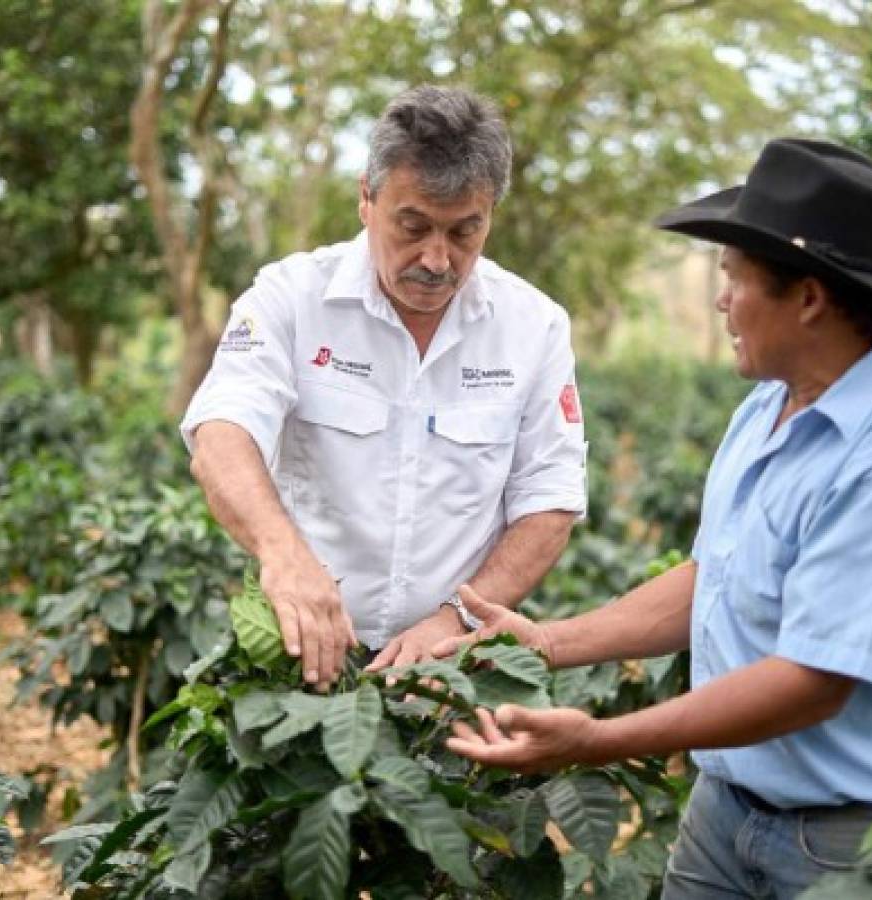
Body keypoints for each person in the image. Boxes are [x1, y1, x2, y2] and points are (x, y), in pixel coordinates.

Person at [440, 138, 872, 898]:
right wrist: (545, 644)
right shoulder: (772, 399)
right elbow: (715, 578)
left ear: (808, 299)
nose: (720, 300)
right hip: (726, 813)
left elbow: (813, 682)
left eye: (734, 279)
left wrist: (596, 742)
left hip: (854, 842)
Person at [181, 85, 587, 692]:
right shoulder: (289, 297)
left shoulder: (535, 327)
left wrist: (455, 617)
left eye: (463, 233)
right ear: (366, 200)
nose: (437, 258)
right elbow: (222, 432)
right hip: (304, 657)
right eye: (414, 225)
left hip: (454, 665)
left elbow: (549, 500)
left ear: (490, 216)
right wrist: (284, 556)